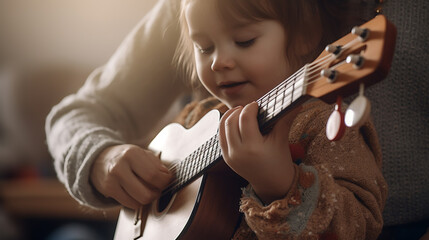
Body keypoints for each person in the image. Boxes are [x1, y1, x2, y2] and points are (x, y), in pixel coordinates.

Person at [45, 0, 427, 239]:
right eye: (203, 47)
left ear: (306, 36)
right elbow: (78, 113)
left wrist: (281, 183)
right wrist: (100, 157)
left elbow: (354, 226)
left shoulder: (323, 126)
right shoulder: (199, 117)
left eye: (244, 41)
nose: (218, 62)